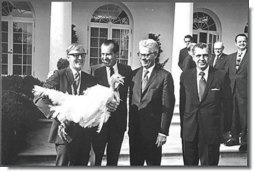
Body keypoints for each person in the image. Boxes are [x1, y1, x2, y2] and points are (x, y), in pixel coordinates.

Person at [34, 43, 97, 166]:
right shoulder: (59, 75)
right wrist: (58, 114)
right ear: (68, 57)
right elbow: (38, 97)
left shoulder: (90, 79)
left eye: (82, 55)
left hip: (84, 135)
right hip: (63, 133)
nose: (80, 58)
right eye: (75, 55)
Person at [179, 43, 231, 166]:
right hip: (190, 130)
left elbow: (228, 105)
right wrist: (184, 127)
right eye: (198, 55)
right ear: (192, 56)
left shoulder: (221, 76)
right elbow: (182, 104)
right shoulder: (185, 76)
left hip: (211, 131)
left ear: (210, 56)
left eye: (205, 55)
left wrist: (226, 129)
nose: (201, 59)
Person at [128, 39, 175, 165]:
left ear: (156, 54)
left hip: (153, 134)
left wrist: (163, 132)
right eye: (141, 54)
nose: (144, 58)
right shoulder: (133, 74)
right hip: (135, 132)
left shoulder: (164, 76)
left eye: (147, 54)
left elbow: (167, 106)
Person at [92, 40, 132, 165]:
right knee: (96, 159)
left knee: (113, 160)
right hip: (100, 123)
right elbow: (92, 97)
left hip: (118, 124)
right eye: (102, 54)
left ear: (116, 54)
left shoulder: (126, 70)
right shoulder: (96, 72)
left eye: (108, 54)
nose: (104, 57)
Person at [225, 34, 248, 153]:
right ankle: (234, 138)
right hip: (231, 91)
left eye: (244, 41)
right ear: (235, 43)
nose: (242, 43)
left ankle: (245, 141)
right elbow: (225, 74)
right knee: (233, 115)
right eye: (239, 41)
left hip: (245, 92)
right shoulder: (230, 57)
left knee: (245, 117)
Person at [209, 41, 232, 141]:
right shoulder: (210, 57)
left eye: (219, 49)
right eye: (215, 49)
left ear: (223, 48)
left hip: (221, 89)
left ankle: (221, 136)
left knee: (221, 113)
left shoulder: (227, 58)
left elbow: (224, 73)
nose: (217, 51)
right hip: (210, 88)